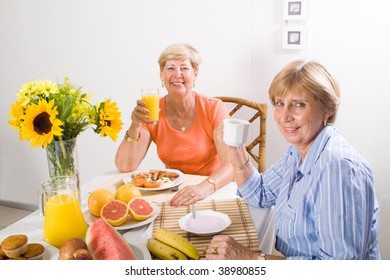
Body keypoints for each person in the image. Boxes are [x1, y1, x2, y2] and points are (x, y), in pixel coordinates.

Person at [205, 60, 381, 260]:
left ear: (328, 108)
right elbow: (259, 193)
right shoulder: (298, 152)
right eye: (280, 104)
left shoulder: (338, 169)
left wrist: (251, 258)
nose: (284, 117)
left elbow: (338, 269)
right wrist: (235, 147)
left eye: (298, 105)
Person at [115, 43, 234, 206]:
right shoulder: (152, 110)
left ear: (195, 75)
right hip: (174, 191)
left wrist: (201, 189)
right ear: (161, 75)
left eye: (184, 68)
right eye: (171, 68)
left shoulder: (214, 108)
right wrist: (135, 125)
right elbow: (125, 165)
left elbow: (231, 165)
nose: (177, 74)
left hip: (213, 189)